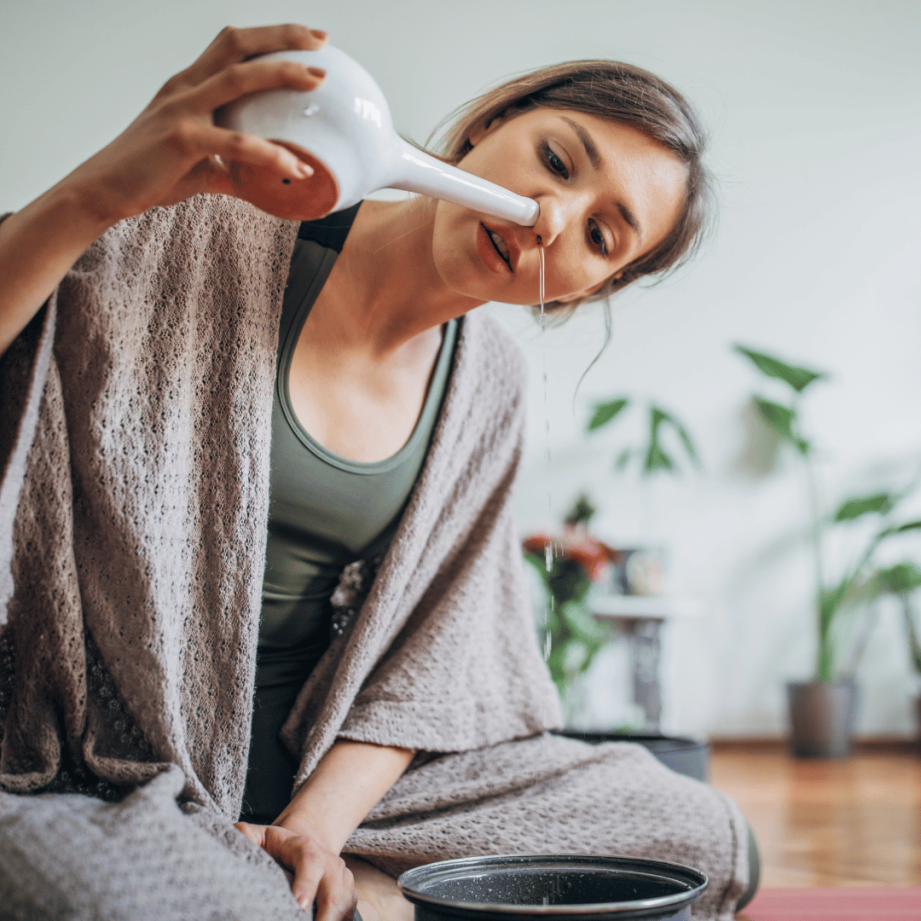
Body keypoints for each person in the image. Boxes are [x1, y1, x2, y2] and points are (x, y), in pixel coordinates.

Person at [0, 24, 755, 921]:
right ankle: (312, 891)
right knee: (106, 897)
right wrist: (98, 194)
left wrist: (313, 826)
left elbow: (431, 663)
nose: (548, 218)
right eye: (554, 159)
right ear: (487, 127)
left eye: (599, 233)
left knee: (701, 835)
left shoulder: (489, 385)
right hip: (102, 755)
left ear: (588, 289)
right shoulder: (197, 230)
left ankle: (289, 874)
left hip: (321, 771)